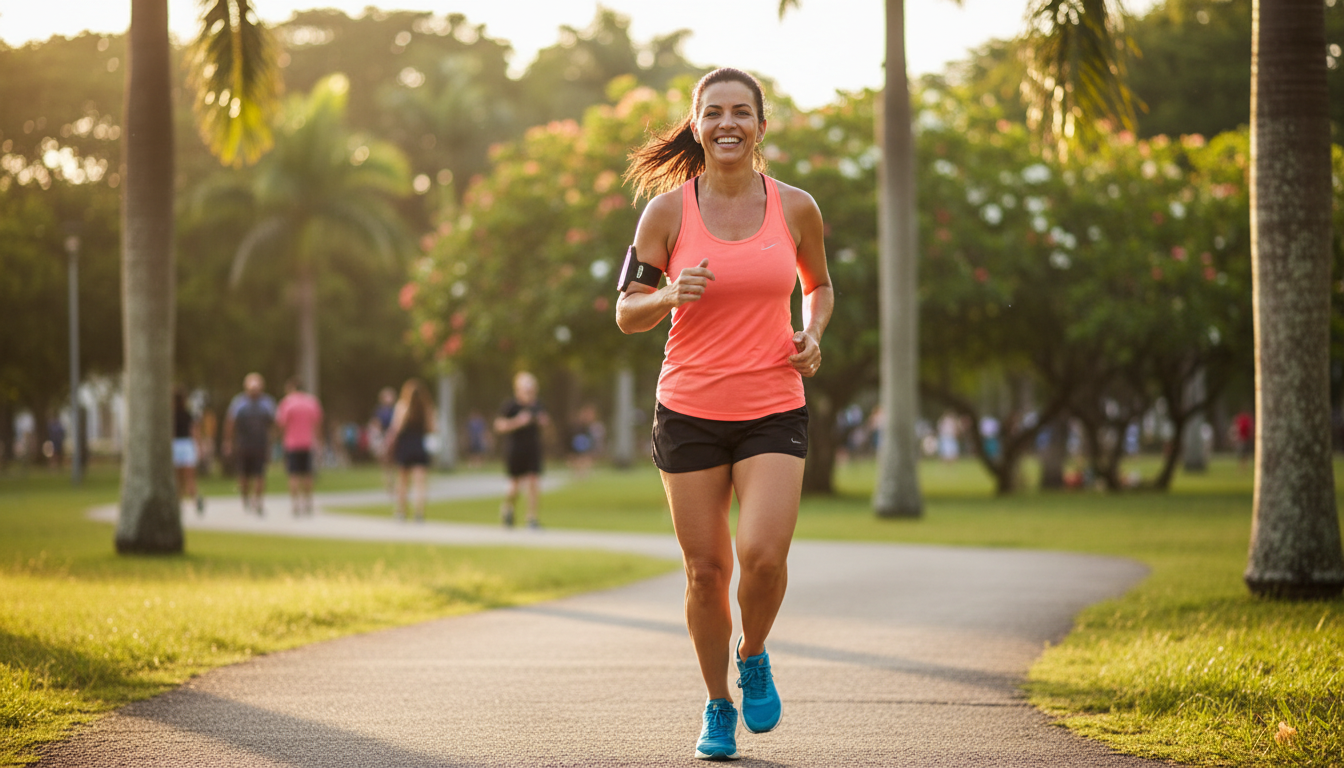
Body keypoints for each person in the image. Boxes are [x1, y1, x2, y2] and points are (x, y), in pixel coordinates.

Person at [615, 67, 833, 761]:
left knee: (763, 559)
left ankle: (754, 651)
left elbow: (818, 285)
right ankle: (716, 703)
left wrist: (813, 332)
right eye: (715, 113)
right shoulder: (667, 214)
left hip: (773, 403)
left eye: (742, 112)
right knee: (706, 572)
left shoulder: (796, 208)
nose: (728, 123)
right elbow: (626, 312)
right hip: (689, 409)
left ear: (761, 126)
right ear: (697, 124)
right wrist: (670, 293)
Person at [494, 371, 550, 529]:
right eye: (526, 390)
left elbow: (547, 425)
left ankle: (531, 518)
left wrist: (543, 422)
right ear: (518, 390)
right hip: (515, 448)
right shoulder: (510, 405)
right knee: (514, 486)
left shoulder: (538, 405)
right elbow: (499, 425)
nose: (529, 394)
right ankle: (508, 508)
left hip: (533, 448)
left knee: (534, 482)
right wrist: (517, 422)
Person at [224, 372, 276, 516]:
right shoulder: (239, 402)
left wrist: (272, 442)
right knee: (244, 475)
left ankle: (257, 501)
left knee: (259, 474)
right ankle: (245, 498)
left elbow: (273, 424)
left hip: (260, 444)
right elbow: (230, 423)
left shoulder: (267, 403)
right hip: (243, 444)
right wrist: (228, 441)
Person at [383, 378, 435, 522]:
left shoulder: (402, 406)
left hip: (405, 445)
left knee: (403, 482)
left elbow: (396, 428)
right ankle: (419, 513)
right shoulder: (426, 407)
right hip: (419, 445)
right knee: (420, 483)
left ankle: (401, 512)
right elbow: (432, 428)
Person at [275, 377, 324, 517]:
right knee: (308, 474)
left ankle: (295, 505)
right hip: (308, 443)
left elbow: (281, 424)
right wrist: (319, 441)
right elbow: (318, 423)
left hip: (292, 444)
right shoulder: (312, 402)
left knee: (293, 474)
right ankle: (308, 503)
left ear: (291, 388)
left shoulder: (287, 403)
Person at [172, 388, 204, 514]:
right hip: (186, 445)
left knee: (178, 477)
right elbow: (194, 431)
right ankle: (194, 500)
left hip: (175, 445)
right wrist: (199, 446)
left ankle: (179, 503)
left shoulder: (170, 414)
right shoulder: (188, 414)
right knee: (190, 477)